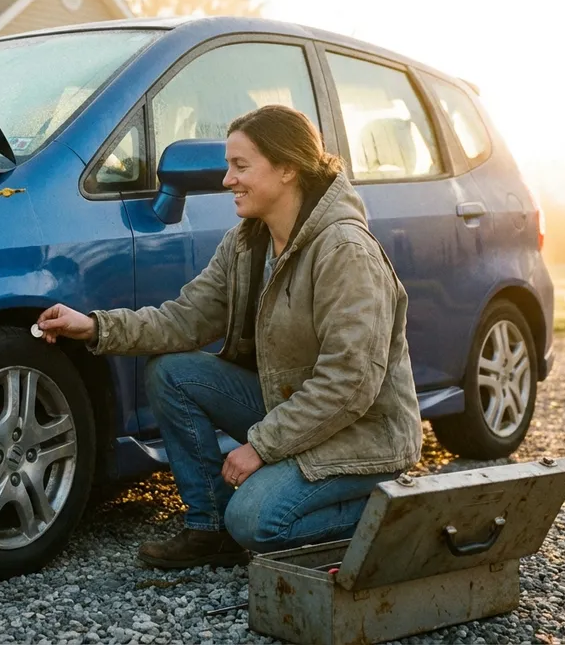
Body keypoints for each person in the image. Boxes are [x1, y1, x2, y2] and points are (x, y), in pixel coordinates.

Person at [35, 104, 423, 569]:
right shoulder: (246, 242)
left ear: (287, 169)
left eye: (241, 166)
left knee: (257, 523)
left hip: (362, 435)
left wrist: (261, 447)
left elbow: (350, 383)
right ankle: (210, 529)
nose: (227, 180)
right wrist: (96, 326)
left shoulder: (345, 251)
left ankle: (400, 510)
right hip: (295, 412)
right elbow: (185, 319)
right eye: (228, 167)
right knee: (172, 372)